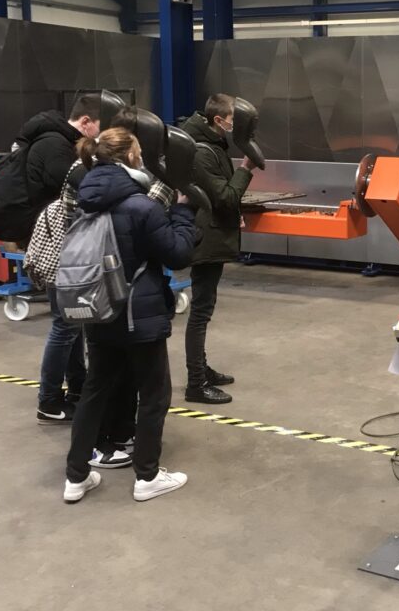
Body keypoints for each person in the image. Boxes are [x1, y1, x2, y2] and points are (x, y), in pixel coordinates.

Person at [63, 128, 196, 503]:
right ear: (131, 157)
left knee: (95, 392)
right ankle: (147, 477)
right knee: (154, 395)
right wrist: (183, 212)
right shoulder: (142, 207)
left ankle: (75, 477)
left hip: (98, 309)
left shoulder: (85, 200)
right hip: (140, 315)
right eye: (139, 151)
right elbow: (178, 255)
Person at [28, 93, 101, 425]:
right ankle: (48, 400)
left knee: (71, 327)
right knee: (65, 328)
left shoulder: (72, 158)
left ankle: (76, 388)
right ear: (87, 123)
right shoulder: (76, 166)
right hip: (67, 261)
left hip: (68, 259)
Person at [181, 94, 255, 404]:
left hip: (212, 234)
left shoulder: (212, 145)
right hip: (206, 238)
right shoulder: (202, 151)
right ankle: (196, 383)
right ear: (217, 120)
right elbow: (224, 196)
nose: (233, 126)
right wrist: (246, 169)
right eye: (232, 121)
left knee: (204, 307)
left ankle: (202, 369)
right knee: (200, 312)